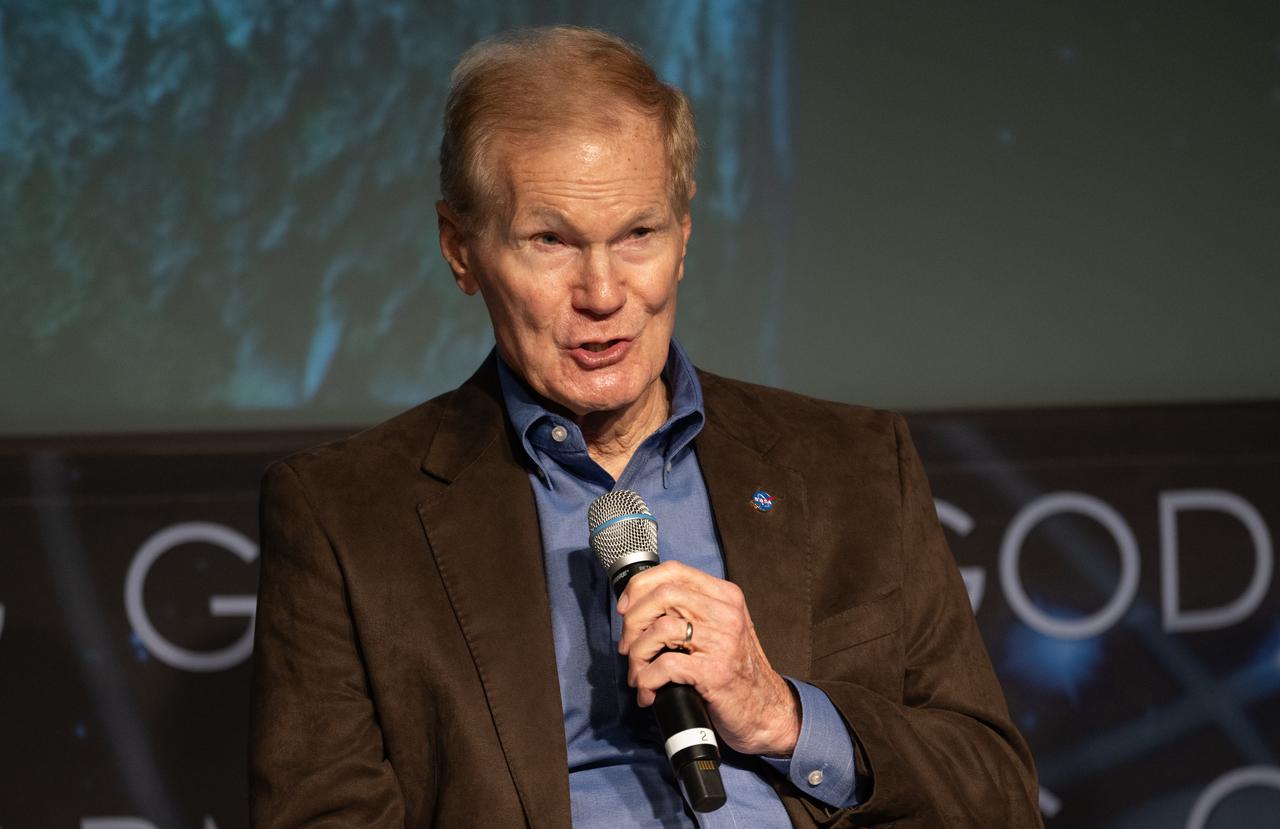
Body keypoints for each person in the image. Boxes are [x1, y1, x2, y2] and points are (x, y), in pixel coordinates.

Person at [249, 25, 1043, 828]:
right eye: (550, 240)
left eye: (638, 234)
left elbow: (1000, 796)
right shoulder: (345, 518)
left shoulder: (857, 466)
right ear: (462, 249)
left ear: (684, 239)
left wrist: (781, 714)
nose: (603, 291)